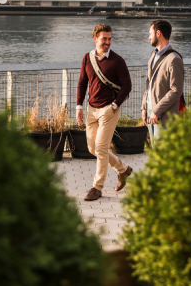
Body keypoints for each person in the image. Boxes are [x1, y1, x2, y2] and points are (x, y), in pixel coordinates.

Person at [76, 24, 133, 201]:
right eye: (104, 39)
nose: (107, 42)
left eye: (109, 39)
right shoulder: (87, 58)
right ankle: (123, 169)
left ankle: (97, 187)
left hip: (109, 109)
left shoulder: (118, 61)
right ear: (95, 39)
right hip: (91, 109)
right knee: (92, 148)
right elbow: (82, 83)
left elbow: (127, 85)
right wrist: (79, 106)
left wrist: (115, 105)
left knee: (101, 148)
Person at [141, 20, 185, 145]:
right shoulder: (152, 56)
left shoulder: (174, 59)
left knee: (164, 154)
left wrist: (156, 111)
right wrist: (144, 107)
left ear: (158, 33)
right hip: (151, 112)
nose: (149, 37)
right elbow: (148, 84)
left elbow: (176, 90)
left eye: (150, 33)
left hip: (164, 117)